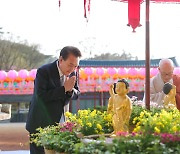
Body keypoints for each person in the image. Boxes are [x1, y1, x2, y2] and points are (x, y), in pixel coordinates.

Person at [26, 46, 82, 154]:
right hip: (40, 122)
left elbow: (77, 93)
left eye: (75, 66)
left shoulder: (73, 73)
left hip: (60, 123)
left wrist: (70, 91)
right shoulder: (44, 71)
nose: (72, 69)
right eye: (70, 65)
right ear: (61, 60)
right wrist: (64, 89)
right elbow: (40, 96)